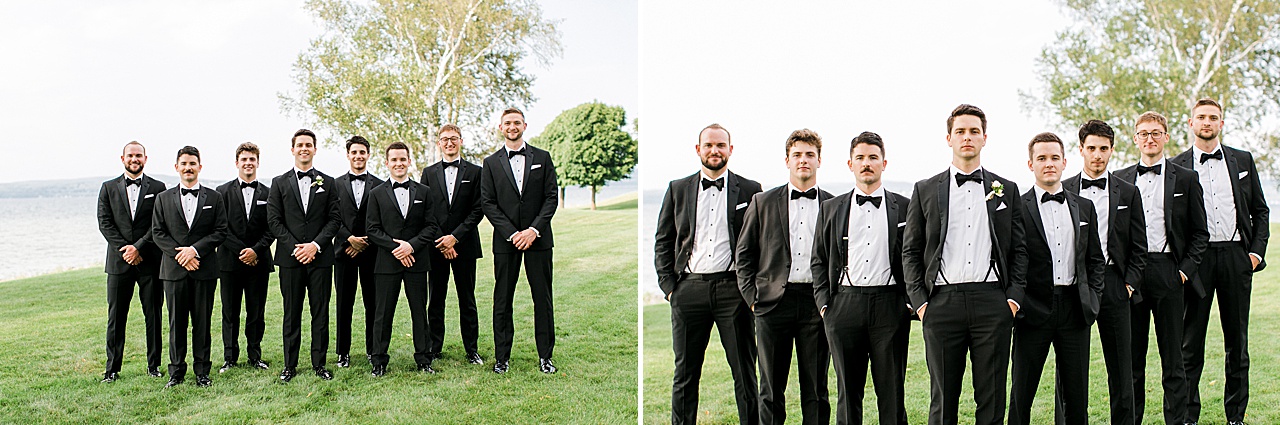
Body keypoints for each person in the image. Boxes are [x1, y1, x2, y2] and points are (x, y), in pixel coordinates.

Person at [901, 104, 1027, 425]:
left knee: (992, 396)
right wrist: (921, 304)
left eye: (974, 131)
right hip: (941, 304)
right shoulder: (925, 190)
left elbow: (1020, 250)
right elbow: (911, 251)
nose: (967, 137)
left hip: (992, 303)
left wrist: (1011, 299)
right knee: (943, 401)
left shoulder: (1006, 189)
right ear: (949, 139)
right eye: (960, 131)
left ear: (985, 138)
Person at [655, 123, 762, 424]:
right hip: (688, 290)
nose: (715, 150)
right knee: (685, 374)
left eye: (721, 145)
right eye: (709, 145)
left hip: (734, 291)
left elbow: (759, 242)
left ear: (730, 149)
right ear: (698, 149)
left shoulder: (751, 190)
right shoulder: (678, 188)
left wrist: (751, 291)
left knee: (745, 373)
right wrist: (669, 287)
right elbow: (664, 239)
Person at [1170, 99, 1268, 425]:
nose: (1207, 122)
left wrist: (1254, 253)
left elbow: (1260, 209)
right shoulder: (1177, 166)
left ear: (1221, 123)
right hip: (1196, 262)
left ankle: (1236, 416)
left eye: (1213, 117)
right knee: (1189, 344)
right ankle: (1187, 416)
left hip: (1236, 257)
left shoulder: (1243, 159)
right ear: (1190, 122)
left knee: (1237, 344)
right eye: (1201, 117)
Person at [1113, 111, 1208, 425]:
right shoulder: (1121, 179)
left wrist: (1183, 271)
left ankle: (1177, 421)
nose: (1149, 138)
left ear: (1166, 137)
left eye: (1155, 133)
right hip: (1133, 276)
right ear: (1135, 138)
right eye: (1143, 133)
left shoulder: (1186, 178)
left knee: (1174, 360)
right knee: (1132, 360)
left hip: (1170, 272)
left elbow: (1200, 233)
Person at [811, 131, 911, 425]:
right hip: (843, 305)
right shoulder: (831, 208)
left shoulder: (904, 207)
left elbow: (915, 256)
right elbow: (818, 259)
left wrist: (907, 303)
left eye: (873, 158)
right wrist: (825, 305)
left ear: (884, 163)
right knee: (848, 392)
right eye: (860, 158)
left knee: (892, 391)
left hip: (890, 306)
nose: (867, 163)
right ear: (850, 164)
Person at [1006, 132, 1105, 425]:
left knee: (1076, 396)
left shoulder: (1084, 206)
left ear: (1064, 162)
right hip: (1032, 311)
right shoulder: (1018, 207)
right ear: (1030, 164)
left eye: (1054, 158)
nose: (1048, 164)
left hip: (1074, 310)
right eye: (1041, 158)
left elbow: (1095, 259)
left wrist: (1093, 298)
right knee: (1022, 394)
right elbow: (1011, 260)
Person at [735, 129, 831, 425]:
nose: (804, 160)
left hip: (817, 305)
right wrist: (753, 300)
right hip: (772, 304)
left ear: (819, 161)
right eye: (798, 155)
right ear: (787, 161)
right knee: (770, 389)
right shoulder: (762, 202)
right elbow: (744, 255)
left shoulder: (833, 204)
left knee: (816, 389)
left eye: (810, 155)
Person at [1059, 120, 1148, 425]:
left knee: (1122, 369)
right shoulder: (1064, 188)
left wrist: (1129, 285)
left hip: (1114, 284)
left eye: (1104, 149)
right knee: (1070, 369)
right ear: (1081, 149)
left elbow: (1139, 245)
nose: (1098, 155)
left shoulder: (1128, 192)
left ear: (1112, 150)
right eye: (1092, 148)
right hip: (1074, 285)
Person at [479, 107, 559, 374]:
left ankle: (545, 357)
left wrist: (533, 231)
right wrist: (513, 233)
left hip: (539, 239)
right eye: (507, 123)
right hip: (506, 241)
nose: (512, 127)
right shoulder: (490, 163)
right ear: (500, 128)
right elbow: (488, 203)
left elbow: (551, 198)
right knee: (502, 299)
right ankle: (502, 358)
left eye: (516, 122)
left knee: (543, 299)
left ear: (525, 125)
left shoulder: (543, 158)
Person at [266, 128, 342, 382]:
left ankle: (319, 364)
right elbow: (274, 221)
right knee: (291, 312)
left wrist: (315, 246)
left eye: (309, 144)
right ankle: (290, 365)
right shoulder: (278, 183)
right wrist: (296, 247)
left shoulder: (328, 182)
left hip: (320, 258)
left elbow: (334, 219)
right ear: (292, 149)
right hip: (290, 259)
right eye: (300, 145)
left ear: (315, 149)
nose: (304, 148)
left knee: (320, 312)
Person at [151, 146, 227, 388]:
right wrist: (182, 255)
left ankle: (202, 371)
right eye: (183, 163)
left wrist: (195, 251)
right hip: (173, 272)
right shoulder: (163, 198)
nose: (188, 167)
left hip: (204, 269)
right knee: (177, 323)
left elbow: (220, 231)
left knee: (202, 323)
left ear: (200, 167)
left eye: (192, 163)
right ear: (176, 167)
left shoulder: (214, 198)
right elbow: (157, 232)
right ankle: (176, 372)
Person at [366, 142, 442, 376]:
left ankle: (424, 359)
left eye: (403, 159)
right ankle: (378, 361)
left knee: (419, 312)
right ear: (387, 163)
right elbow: (372, 229)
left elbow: (431, 226)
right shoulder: (376, 194)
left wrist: (411, 246)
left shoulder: (424, 192)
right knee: (383, 313)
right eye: (394, 160)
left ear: (409, 161)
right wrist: (395, 248)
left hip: (417, 261)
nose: (399, 164)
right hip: (387, 263)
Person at [96, 141, 166, 383]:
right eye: (130, 155)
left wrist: (139, 247)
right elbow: (105, 223)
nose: (134, 159)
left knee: (154, 315)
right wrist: (124, 249)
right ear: (122, 158)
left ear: (145, 158)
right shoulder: (107, 188)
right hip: (118, 263)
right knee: (116, 317)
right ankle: (112, 370)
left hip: (150, 262)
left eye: (139, 155)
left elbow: (158, 224)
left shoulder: (159, 187)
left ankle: (154, 366)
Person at [421, 124, 485, 365]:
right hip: (436, 247)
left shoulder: (476, 172)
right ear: (439, 143)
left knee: (467, 299)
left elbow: (478, 209)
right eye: (445, 139)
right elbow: (425, 209)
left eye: (453, 139)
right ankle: (434, 348)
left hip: (465, 245)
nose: (449, 143)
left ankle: (472, 349)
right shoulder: (428, 173)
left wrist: (455, 238)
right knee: (436, 299)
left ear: (461, 141)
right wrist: (442, 240)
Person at [215, 142, 275, 373]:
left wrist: (256, 250)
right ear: (237, 163)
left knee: (256, 311)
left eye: (252, 159)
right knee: (230, 312)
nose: (248, 163)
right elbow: (220, 228)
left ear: (257, 163)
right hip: (230, 262)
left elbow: (272, 228)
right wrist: (242, 251)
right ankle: (230, 357)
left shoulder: (269, 193)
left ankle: (255, 354)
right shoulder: (222, 192)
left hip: (259, 262)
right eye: (244, 159)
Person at [332, 136, 384, 369]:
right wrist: (348, 240)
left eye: (362, 152)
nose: (358, 156)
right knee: (344, 304)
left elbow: (383, 220)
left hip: (372, 255)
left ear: (368, 155)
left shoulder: (381, 185)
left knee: (373, 304)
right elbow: (332, 218)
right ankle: (343, 352)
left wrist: (365, 242)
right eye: (354, 152)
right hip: (344, 254)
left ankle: (373, 350)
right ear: (348, 155)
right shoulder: (334, 185)